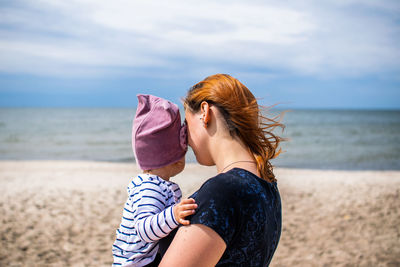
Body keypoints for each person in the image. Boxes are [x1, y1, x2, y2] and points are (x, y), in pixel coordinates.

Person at [159, 74, 284, 266]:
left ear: (205, 112)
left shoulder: (222, 191)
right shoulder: (269, 189)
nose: (185, 137)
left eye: (186, 123)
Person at [112, 94, 197, 267]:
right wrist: (173, 215)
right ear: (175, 158)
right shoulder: (150, 188)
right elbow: (145, 230)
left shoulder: (156, 184)